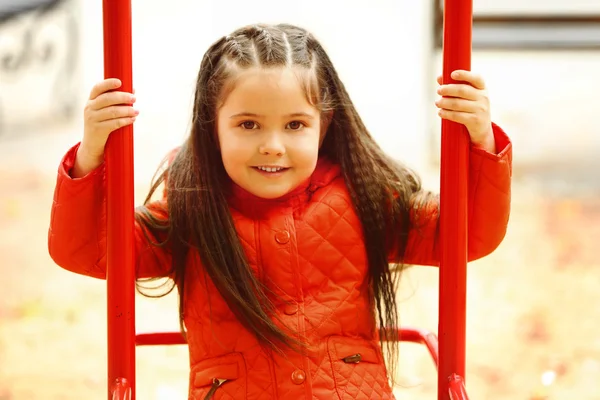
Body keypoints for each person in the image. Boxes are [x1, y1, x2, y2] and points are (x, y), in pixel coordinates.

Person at [48, 23, 512, 400]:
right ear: (213, 127)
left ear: (323, 123)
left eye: (295, 125)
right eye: (248, 124)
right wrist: (92, 155)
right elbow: (87, 250)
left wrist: (479, 141)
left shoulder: (363, 194)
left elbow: (466, 235)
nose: (273, 146)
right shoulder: (193, 203)